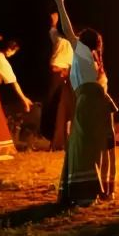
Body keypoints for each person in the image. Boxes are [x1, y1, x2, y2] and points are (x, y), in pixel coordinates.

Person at [52, 0, 118, 205]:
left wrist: (59, 1)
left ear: (83, 41)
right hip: (92, 101)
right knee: (94, 146)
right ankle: (94, 189)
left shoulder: (82, 52)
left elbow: (67, 28)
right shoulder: (89, 57)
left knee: (83, 145)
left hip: (88, 102)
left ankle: (87, 191)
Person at [42, 12, 75, 151]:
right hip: (56, 74)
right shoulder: (59, 39)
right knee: (51, 104)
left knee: (59, 105)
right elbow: (53, 30)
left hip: (63, 75)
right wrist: (54, 22)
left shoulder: (73, 43)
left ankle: (60, 140)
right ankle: (55, 138)